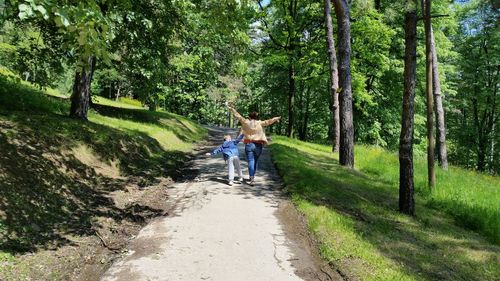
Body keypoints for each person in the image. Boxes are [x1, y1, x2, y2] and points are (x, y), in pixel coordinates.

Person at [227, 105, 281, 186]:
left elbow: (238, 116)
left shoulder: (245, 122)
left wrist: (232, 109)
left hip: (249, 144)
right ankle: (252, 177)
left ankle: (252, 178)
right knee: (255, 161)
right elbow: (269, 121)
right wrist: (276, 118)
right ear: (257, 117)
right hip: (258, 145)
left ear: (249, 116)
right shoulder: (260, 123)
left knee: (251, 161)